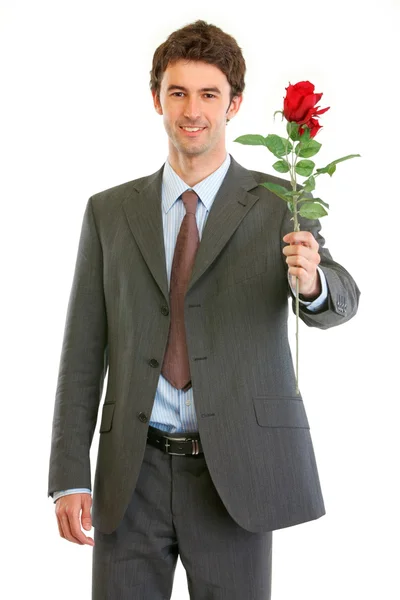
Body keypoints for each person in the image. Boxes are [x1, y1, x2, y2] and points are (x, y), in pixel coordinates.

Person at [47, 19, 360, 600]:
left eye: (209, 94)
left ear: (234, 104)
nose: (193, 110)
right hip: (130, 475)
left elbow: (340, 301)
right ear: (157, 100)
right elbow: (83, 352)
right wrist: (68, 473)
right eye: (178, 92)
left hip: (235, 475)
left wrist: (313, 282)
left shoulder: (279, 206)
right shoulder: (109, 213)